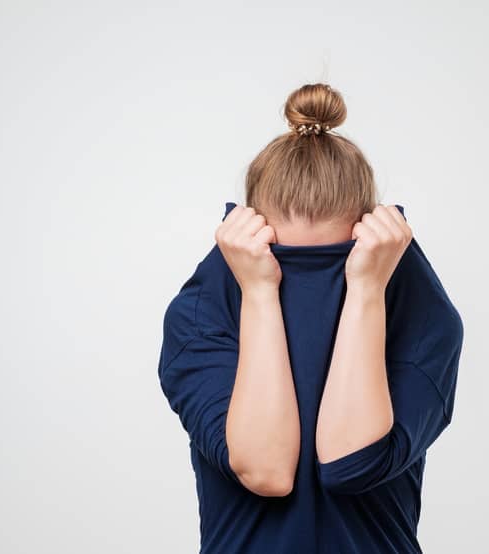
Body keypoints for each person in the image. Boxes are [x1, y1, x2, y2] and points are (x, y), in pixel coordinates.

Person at [157, 83, 464, 553]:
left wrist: (364, 290)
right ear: (245, 243)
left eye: (334, 265)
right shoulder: (202, 316)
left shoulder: (422, 318)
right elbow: (266, 470)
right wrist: (259, 291)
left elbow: (351, 463)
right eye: (285, 263)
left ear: (371, 243)